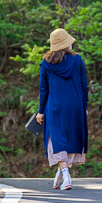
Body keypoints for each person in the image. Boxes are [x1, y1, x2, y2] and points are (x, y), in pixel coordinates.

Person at [36, 28, 89, 190]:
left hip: (54, 106)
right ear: (66, 44)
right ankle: (63, 172)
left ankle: (65, 173)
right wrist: (84, 106)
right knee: (71, 137)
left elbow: (43, 89)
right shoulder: (77, 60)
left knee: (56, 138)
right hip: (75, 105)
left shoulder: (45, 64)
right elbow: (84, 86)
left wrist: (41, 111)